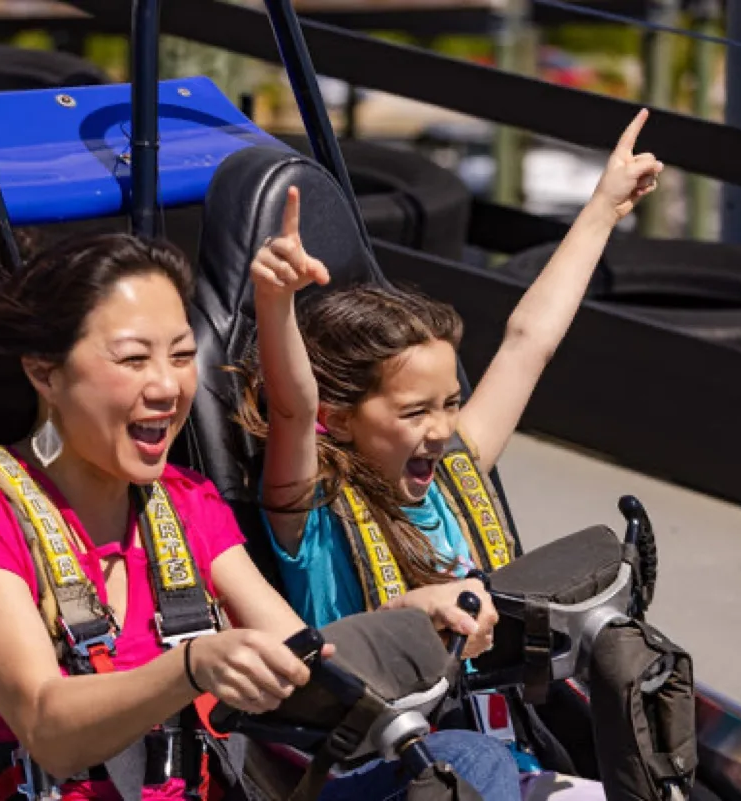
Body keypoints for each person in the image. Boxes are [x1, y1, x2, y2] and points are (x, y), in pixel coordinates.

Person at [0, 233, 521, 800]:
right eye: (134, 359)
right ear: (46, 373)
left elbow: (309, 664)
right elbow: (48, 730)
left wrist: (412, 620)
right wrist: (191, 666)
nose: (167, 385)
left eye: (181, 356)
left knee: (470, 759)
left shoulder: (184, 504)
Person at [238, 110, 663, 799]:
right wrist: (274, 301)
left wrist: (604, 208)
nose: (441, 428)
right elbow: (292, 406)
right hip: (376, 772)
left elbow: (530, 340)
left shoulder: (452, 474)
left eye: (450, 402)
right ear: (340, 420)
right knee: (467, 758)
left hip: (495, 765)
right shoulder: (309, 508)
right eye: (414, 412)